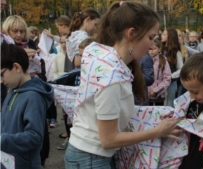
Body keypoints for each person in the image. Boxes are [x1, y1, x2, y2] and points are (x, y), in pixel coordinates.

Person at [64, 2, 182, 168]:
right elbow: (108, 139)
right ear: (132, 34)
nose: (152, 45)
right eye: (150, 37)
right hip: (91, 159)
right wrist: (157, 131)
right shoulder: (111, 76)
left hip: (89, 156)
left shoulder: (104, 58)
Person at [1, 42, 53, 169]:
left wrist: (2, 140)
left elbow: (34, 136)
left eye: (1, 74)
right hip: (8, 162)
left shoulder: (33, 97)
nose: (0, 80)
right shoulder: (12, 89)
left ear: (17, 67)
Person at [52, 37, 94, 150]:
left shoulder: (102, 75)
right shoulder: (75, 73)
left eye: (86, 55)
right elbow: (55, 83)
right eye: (80, 55)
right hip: (76, 116)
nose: (82, 59)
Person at [161, 28, 183, 107]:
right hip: (159, 82)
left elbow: (181, 69)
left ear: (170, 37)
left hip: (171, 82)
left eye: (164, 34)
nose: (162, 36)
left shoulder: (176, 52)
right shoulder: (160, 50)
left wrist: (171, 76)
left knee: (170, 103)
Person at [148, 38, 171, 106]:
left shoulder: (163, 60)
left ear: (159, 49)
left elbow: (167, 78)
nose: (151, 51)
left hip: (159, 94)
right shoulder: (144, 59)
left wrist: (156, 91)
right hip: (147, 94)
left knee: (159, 113)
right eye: (150, 49)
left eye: (154, 48)